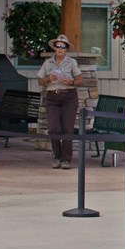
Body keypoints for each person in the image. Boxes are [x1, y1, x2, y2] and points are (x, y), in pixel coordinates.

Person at [36, 34, 81, 169]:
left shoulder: (71, 62)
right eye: (58, 46)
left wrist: (71, 81)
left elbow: (80, 80)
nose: (60, 48)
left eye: (63, 46)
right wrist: (48, 78)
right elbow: (39, 81)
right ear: (54, 48)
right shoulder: (48, 63)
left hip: (69, 97)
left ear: (66, 49)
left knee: (68, 129)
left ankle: (66, 159)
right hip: (53, 97)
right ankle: (57, 156)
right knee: (53, 128)